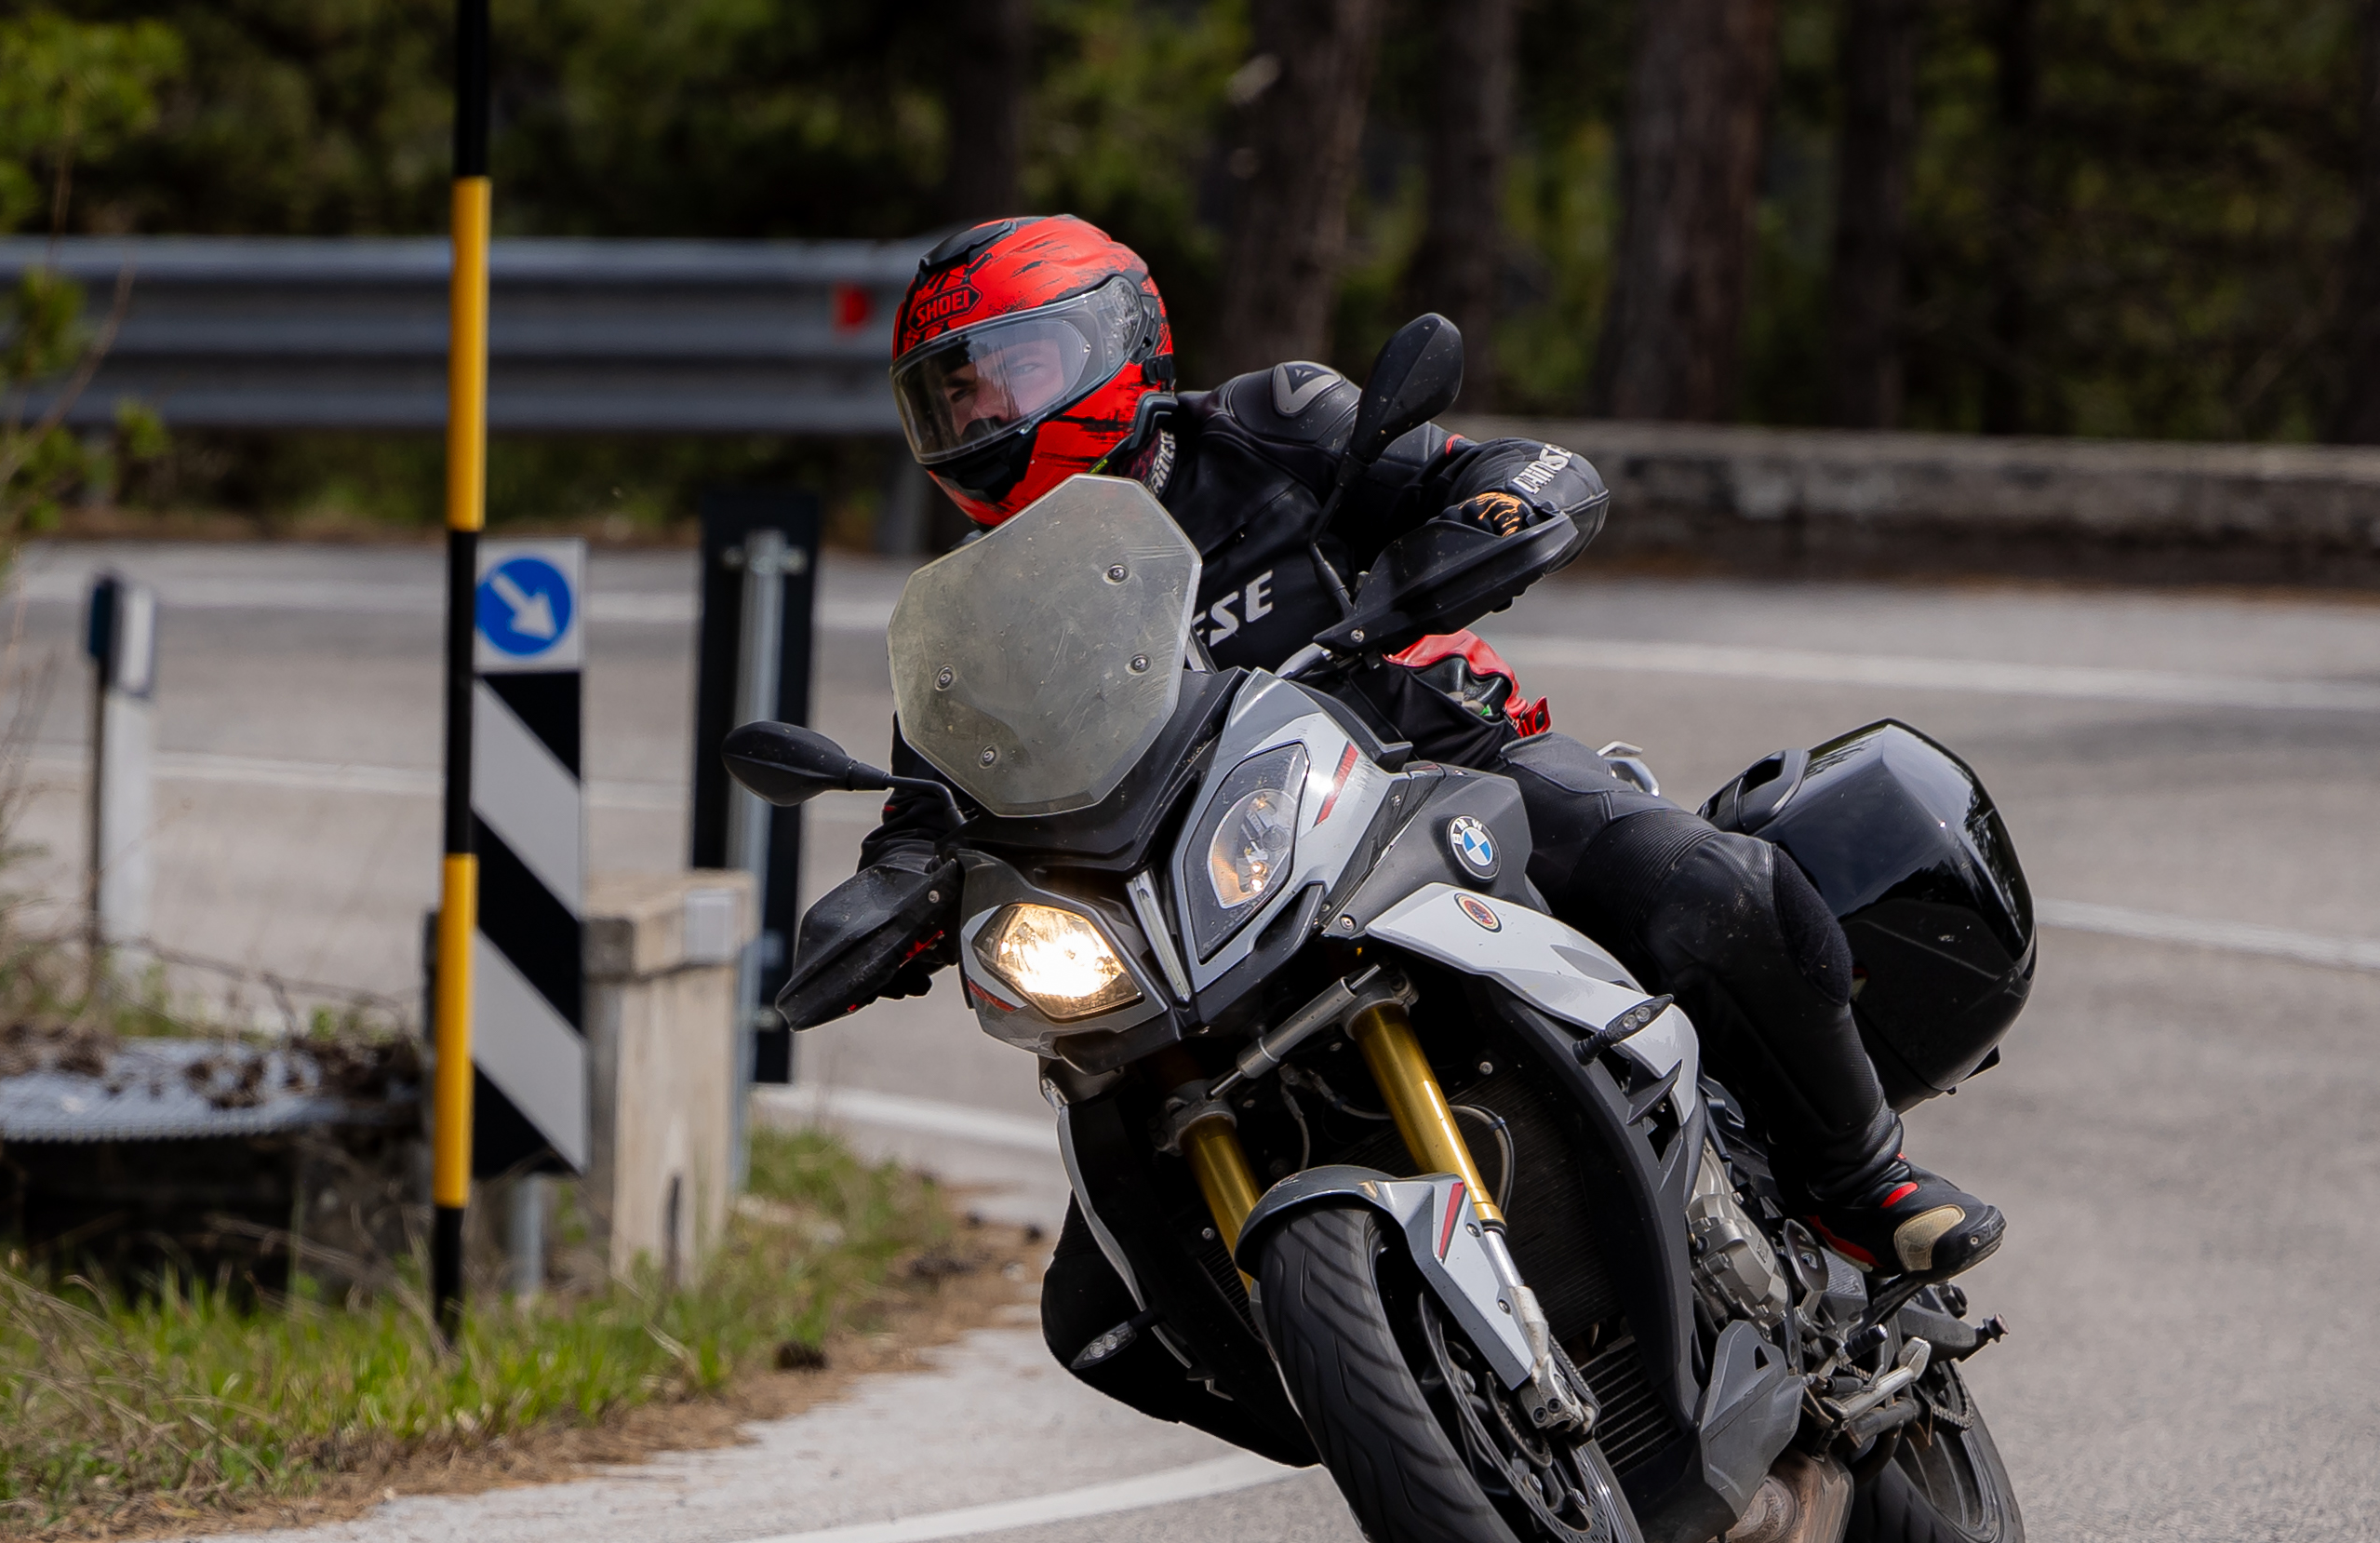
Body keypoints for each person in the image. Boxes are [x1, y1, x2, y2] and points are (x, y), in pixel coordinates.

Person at [794, 214, 2004, 1443]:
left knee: (1704, 882)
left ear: (1120, 344)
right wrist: (885, 901)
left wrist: (1496, 508)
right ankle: (1406, 1427)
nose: (983, 414)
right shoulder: (981, 616)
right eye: (951, 395)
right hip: (1198, 897)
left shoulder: (1268, 425)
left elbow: (1495, 469)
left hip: (1443, 772)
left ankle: (1866, 1186)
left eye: (1011, 372)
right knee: (1097, 1317)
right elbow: (932, 805)